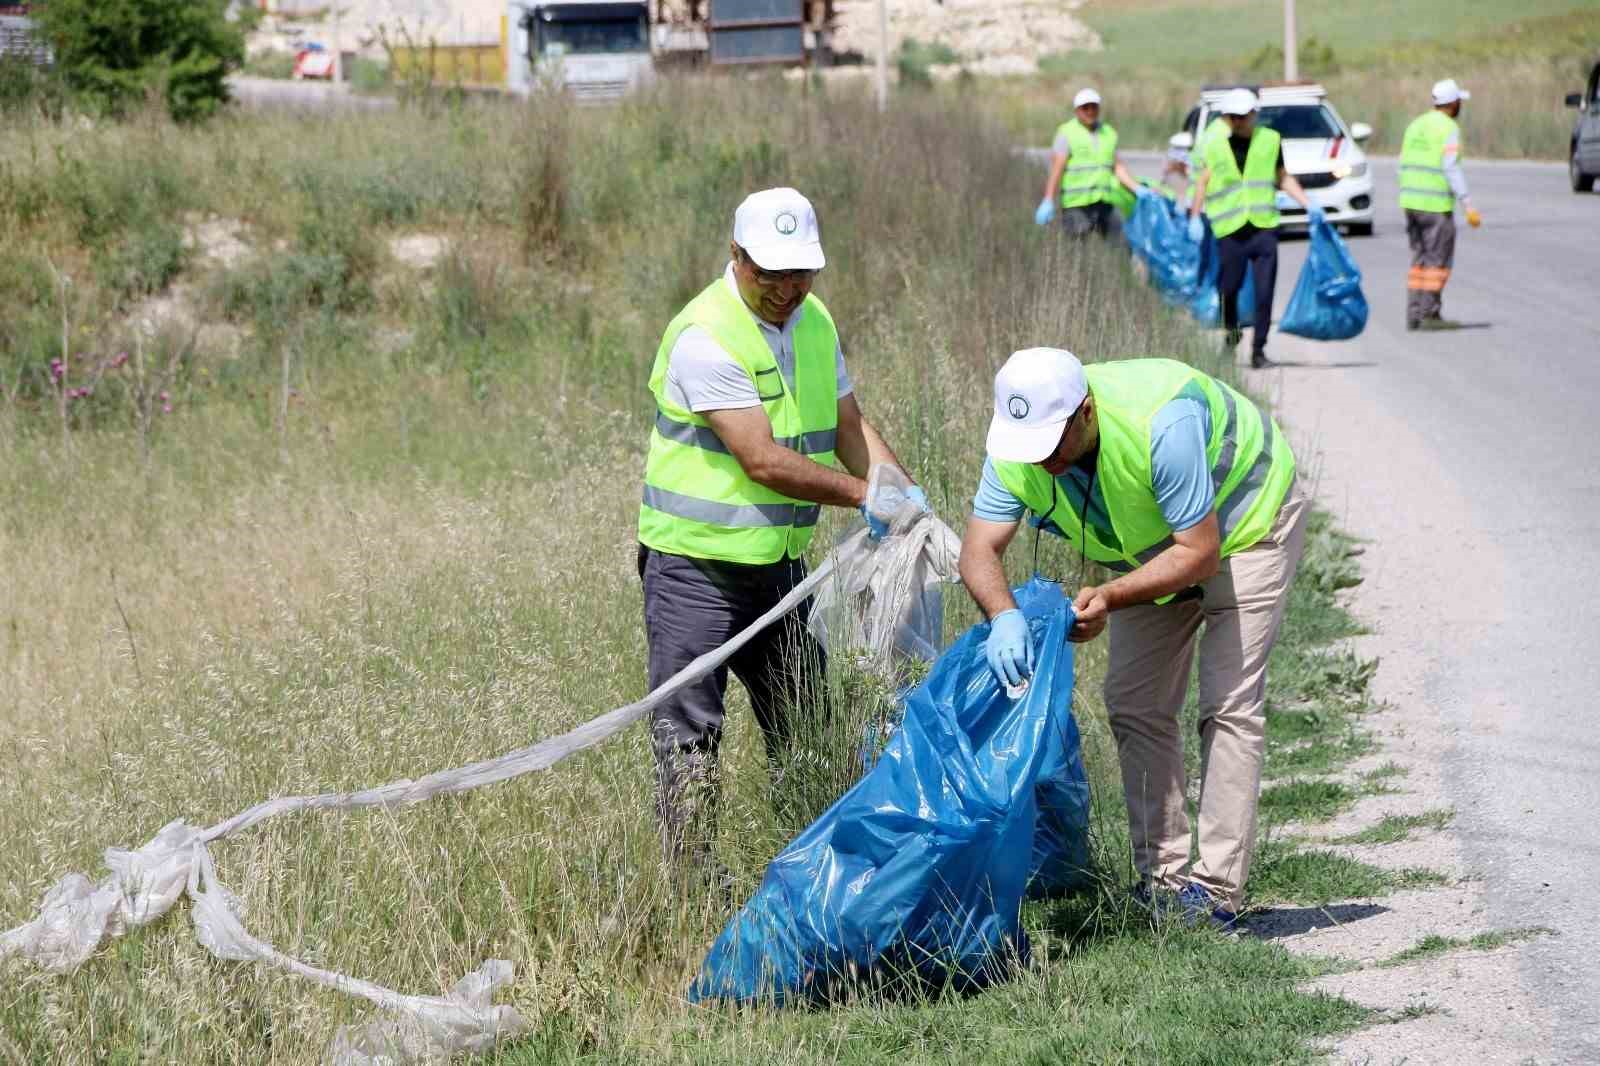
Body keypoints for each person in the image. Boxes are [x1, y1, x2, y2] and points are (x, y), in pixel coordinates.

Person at [957, 348, 1306, 927]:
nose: (1040, 461)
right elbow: (979, 549)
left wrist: (1111, 597)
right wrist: (1004, 616)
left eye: (1051, 444)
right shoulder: (1017, 445)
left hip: (1248, 525)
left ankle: (1217, 892)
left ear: (1086, 412)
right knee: (1134, 703)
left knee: (1228, 706)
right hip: (1154, 549)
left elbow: (1198, 554)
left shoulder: (1160, 423)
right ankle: (1164, 884)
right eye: (1028, 445)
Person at [637, 187, 925, 872]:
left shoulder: (816, 322)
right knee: (690, 739)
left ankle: (811, 874)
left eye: (801, 273)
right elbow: (761, 459)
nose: (788, 289)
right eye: (771, 273)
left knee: (805, 725)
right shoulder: (704, 336)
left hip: (780, 573)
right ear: (736, 256)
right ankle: (691, 891)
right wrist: (864, 497)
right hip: (695, 573)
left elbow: (850, 426)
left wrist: (903, 495)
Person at [1189, 88, 1317, 369]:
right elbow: (1203, 181)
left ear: (1253, 115)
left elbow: (1282, 178)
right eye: (1233, 117)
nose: (1238, 122)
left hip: (1264, 229)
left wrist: (1309, 204)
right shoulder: (1215, 145)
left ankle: (1259, 350)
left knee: (1264, 292)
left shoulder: (1270, 141)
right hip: (1230, 230)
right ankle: (1232, 333)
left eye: (1243, 116)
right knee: (1228, 289)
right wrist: (1195, 217)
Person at [1399, 78, 1482, 330]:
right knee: (1437, 261)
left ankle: (1414, 314)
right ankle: (1429, 314)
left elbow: (1401, 163)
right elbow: (1450, 167)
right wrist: (1467, 204)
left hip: (1411, 203)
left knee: (1419, 260)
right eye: (1459, 102)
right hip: (1435, 206)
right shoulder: (1448, 128)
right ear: (1454, 103)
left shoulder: (1416, 125)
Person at [1035, 87, 1151, 238]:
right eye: (1085, 107)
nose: (1090, 111)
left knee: (1121, 244)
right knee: (1078, 251)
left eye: (1094, 107)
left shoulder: (1108, 133)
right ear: (1077, 110)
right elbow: (1057, 169)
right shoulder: (1067, 133)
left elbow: (1117, 167)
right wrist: (1048, 199)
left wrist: (1137, 188)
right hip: (1076, 205)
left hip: (1104, 202)